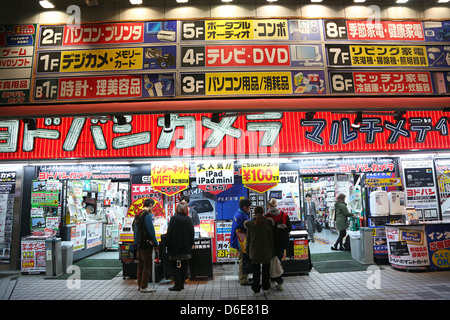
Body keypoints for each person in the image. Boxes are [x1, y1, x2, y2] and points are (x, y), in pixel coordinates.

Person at [245, 206, 274, 296]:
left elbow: (248, 240)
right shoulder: (268, 223)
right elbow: (271, 238)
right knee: (266, 271)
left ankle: (256, 290)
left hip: (254, 251)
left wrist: (247, 251)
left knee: (256, 272)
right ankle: (266, 288)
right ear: (263, 212)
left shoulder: (250, 224)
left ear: (254, 212)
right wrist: (272, 250)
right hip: (266, 251)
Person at [166, 202, 195, 291]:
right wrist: (191, 244)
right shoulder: (188, 219)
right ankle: (181, 283)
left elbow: (169, 233)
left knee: (173, 265)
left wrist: (167, 244)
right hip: (185, 246)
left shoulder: (173, 219)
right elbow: (192, 234)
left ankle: (177, 284)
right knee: (184, 266)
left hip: (174, 246)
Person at [133, 198, 159, 293]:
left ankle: (140, 285)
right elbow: (150, 230)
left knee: (140, 264)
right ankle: (144, 286)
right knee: (147, 264)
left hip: (139, 243)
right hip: (146, 243)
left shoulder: (138, 213)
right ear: (151, 205)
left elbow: (134, 229)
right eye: (153, 206)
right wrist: (155, 242)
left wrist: (136, 242)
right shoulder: (147, 215)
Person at [266, 198, 291, 291]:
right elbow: (289, 228)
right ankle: (278, 283)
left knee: (272, 262)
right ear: (276, 205)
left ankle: (275, 282)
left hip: (270, 243)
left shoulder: (266, 216)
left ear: (269, 205)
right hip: (281, 243)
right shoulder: (284, 215)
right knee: (278, 262)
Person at [230, 198, 253, 286]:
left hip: (239, 240)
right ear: (244, 207)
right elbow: (245, 227)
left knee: (243, 259)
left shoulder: (240, 213)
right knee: (242, 260)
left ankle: (244, 277)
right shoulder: (241, 216)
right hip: (240, 242)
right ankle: (243, 279)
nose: (250, 209)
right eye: (249, 207)